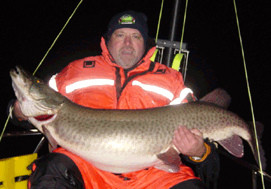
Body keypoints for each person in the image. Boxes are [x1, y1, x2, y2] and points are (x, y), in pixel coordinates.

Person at [9, 10, 219, 189]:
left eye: (135, 36)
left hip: (152, 173)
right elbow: (36, 104)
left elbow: (202, 130)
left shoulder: (171, 79)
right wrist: (17, 110)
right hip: (88, 167)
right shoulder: (76, 70)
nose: (127, 43)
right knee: (49, 170)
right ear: (107, 40)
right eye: (120, 35)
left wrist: (199, 152)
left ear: (145, 43)